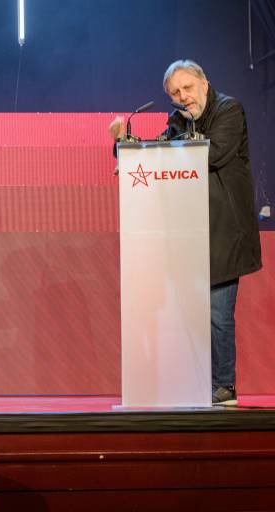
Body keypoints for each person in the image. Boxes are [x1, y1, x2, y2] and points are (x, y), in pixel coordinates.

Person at [109, 59, 262, 406]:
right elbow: (158, 152)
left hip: (224, 233)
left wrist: (165, 152)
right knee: (189, 317)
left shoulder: (229, 110)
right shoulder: (179, 120)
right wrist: (124, 147)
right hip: (188, 235)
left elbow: (213, 154)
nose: (183, 97)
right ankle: (194, 384)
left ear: (204, 83)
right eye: (175, 93)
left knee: (218, 316)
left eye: (187, 88)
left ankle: (224, 387)